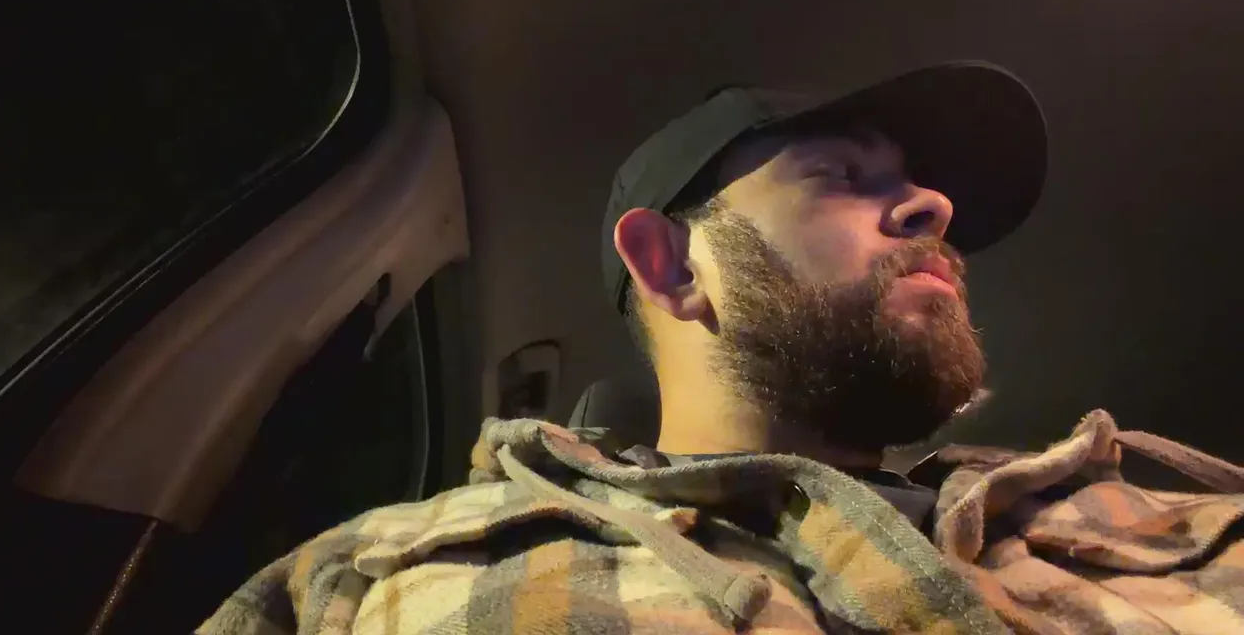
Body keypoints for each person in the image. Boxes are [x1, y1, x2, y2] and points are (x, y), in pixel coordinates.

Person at [200, 63, 1244, 635]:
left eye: (920, 187)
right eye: (843, 176)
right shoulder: (381, 576)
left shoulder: (1135, 520)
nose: (934, 205)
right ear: (670, 266)